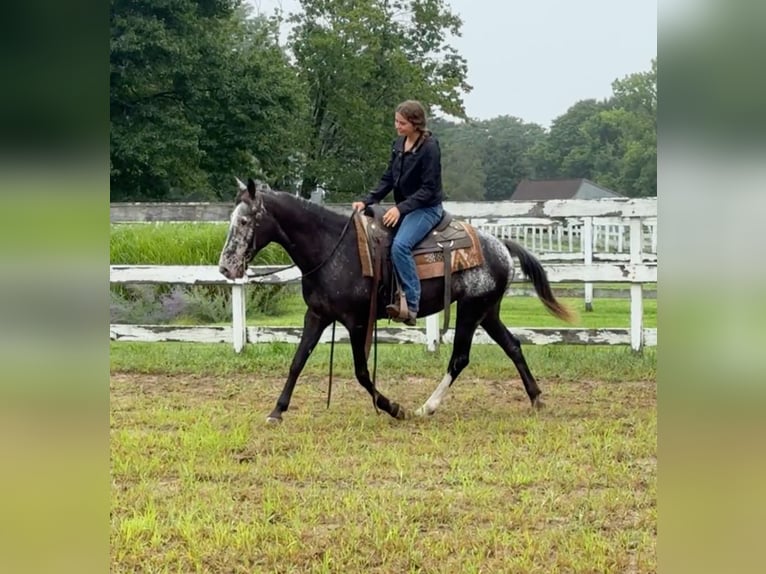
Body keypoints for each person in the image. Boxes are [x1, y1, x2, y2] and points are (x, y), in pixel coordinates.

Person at [352, 100, 444, 326]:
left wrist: (400, 208)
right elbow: (388, 179)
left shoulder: (430, 147)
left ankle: (412, 303)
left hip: (426, 208)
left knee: (401, 246)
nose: (397, 126)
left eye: (402, 123)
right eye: (396, 121)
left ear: (415, 123)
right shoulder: (399, 144)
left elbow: (428, 189)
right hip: (405, 209)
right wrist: (366, 201)